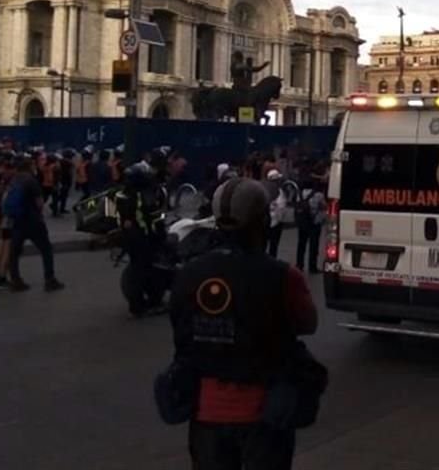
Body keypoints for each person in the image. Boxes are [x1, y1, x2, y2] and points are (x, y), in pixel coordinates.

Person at [169, 177, 318, 470]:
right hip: (264, 414)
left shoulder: (189, 273)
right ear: (261, 220)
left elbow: (180, 328)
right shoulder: (282, 275)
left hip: (205, 414)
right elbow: (307, 323)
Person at [4, 156, 65, 292]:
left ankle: (16, 280)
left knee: (14, 252)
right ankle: (50, 280)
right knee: (46, 249)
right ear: (29, 167)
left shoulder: (14, 180)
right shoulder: (31, 181)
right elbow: (39, 203)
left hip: (17, 221)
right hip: (33, 221)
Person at [115, 162, 167, 317]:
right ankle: (139, 307)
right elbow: (154, 217)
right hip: (143, 237)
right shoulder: (144, 194)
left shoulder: (124, 193)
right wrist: (161, 234)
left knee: (140, 269)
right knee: (144, 270)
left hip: (129, 236)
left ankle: (147, 302)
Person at [295, 183, 327, 274]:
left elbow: (296, 205)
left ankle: (299, 265)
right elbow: (324, 206)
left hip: (302, 222)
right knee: (314, 245)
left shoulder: (299, 194)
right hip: (314, 222)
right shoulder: (319, 195)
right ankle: (312, 267)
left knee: (301, 244)